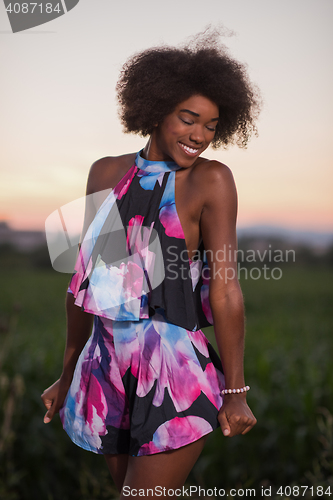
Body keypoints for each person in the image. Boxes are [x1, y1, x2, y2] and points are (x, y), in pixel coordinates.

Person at [41, 29, 261, 497]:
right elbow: (86, 286)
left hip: (172, 372)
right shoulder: (104, 172)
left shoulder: (211, 181)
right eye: (188, 119)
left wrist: (236, 391)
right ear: (156, 108)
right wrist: (67, 373)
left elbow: (225, 290)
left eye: (211, 125)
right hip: (104, 367)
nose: (199, 135)